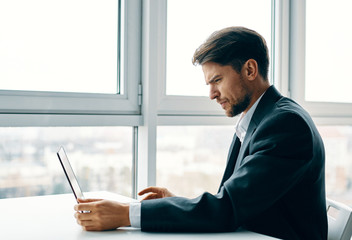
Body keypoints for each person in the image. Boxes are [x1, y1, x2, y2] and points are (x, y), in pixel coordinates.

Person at [74, 26, 328, 240]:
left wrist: (125, 214)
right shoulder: (262, 118)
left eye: (217, 80)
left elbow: (227, 208)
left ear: (250, 70)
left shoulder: (285, 125)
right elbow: (235, 201)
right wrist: (176, 203)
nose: (212, 94)